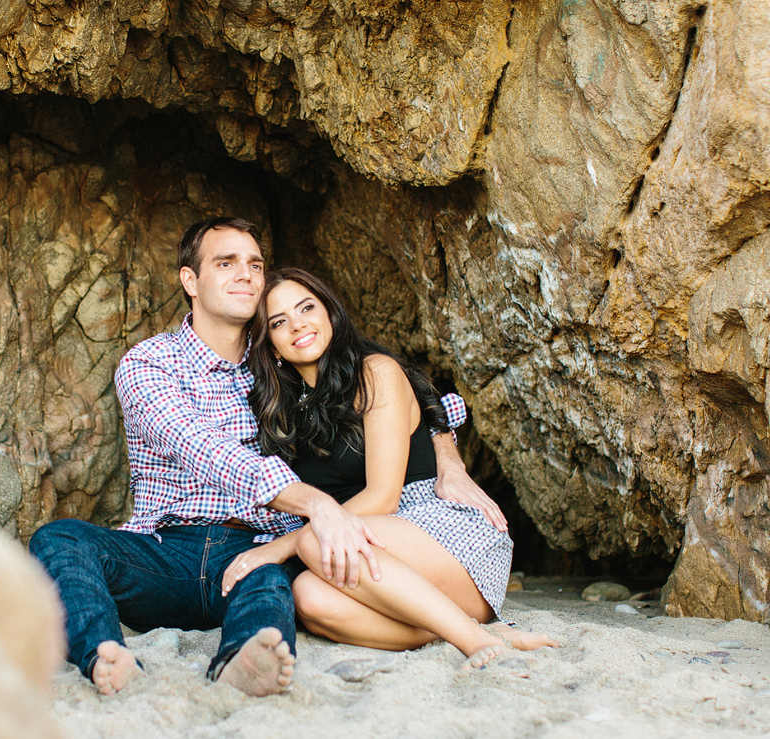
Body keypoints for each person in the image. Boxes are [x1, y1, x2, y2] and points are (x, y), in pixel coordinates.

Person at [29, 218, 494, 696]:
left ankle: (243, 660)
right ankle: (104, 652)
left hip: (258, 543)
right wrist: (315, 504)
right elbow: (203, 449)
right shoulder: (149, 363)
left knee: (276, 587)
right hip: (165, 552)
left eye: (254, 263)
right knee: (59, 539)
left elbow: (392, 391)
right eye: (225, 263)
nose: (246, 274)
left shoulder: (279, 362)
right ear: (191, 281)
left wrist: (446, 451)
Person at [220, 267, 559, 668]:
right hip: (375, 550)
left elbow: (383, 495)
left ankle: (475, 642)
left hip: (439, 529)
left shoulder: (375, 372)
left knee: (316, 539)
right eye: (279, 322)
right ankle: (463, 626)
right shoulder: (283, 412)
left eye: (307, 307)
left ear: (329, 312)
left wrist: (284, 546)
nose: (298, 325)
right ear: (272, 344)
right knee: (309, 598)